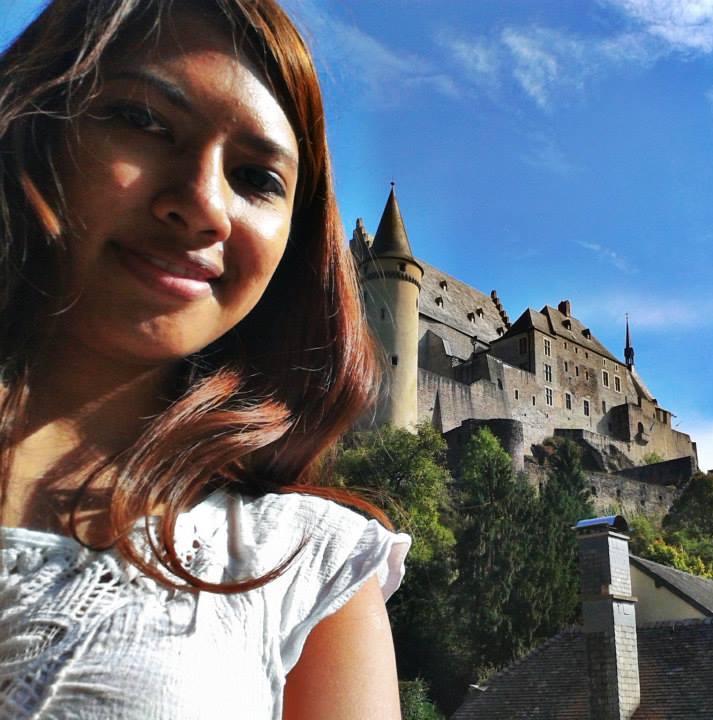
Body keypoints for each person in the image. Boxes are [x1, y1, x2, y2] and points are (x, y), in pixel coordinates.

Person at [0, 0, 409, 718]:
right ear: (32, 125)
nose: (202, 204)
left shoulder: (304, 568)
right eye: (146, 121)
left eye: (258, 178)